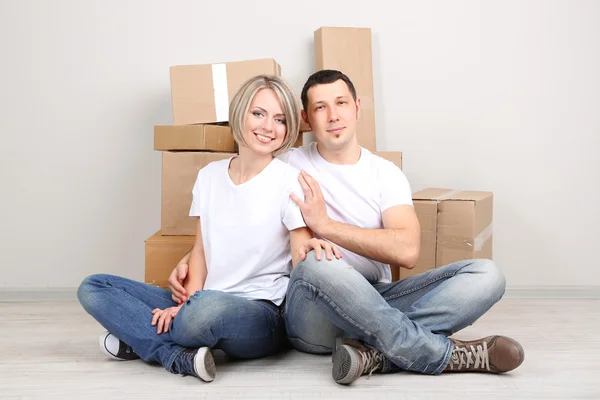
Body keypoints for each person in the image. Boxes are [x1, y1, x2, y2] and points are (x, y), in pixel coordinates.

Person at [168, 69, 525, 385]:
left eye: (340, 102)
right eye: (321, 107)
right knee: (314, 262)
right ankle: (433, 353)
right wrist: (191, 256)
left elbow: (408, 252)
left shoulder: (385, 174)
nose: (333, 115)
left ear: (357, 106)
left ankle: (375, 354)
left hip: (375, 296)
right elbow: (240, 212)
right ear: (306, 119)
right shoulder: (287, 163)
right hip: (312, 311)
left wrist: (326, 225)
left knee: (487, 275)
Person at [77, 74, 340, 383]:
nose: (268, 127)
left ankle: (143, 338)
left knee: (202, 313)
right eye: (258, 113)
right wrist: (186, 304)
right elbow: (200, 250)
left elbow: (300, 253)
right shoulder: (209, 176)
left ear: (288, 129)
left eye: (280, 119)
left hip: (260, 313)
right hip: (203, 298)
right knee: (94, 287)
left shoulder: (289, 181)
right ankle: (176, 355)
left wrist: (315, 250)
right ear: (240, 112)